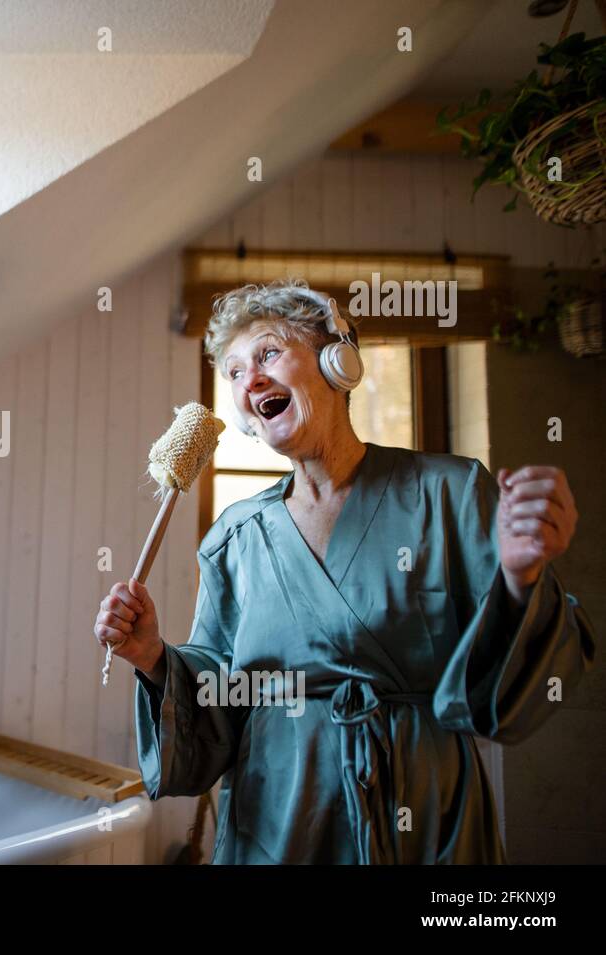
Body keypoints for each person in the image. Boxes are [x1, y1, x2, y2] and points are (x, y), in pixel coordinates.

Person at [93, 279, 596, 864]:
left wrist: (519, 578)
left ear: (338, 364)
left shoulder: (450, 493)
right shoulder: (235, 536)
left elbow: (515, 682)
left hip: (423, 807)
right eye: (232, 372)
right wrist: (154, 656)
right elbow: (217, 699)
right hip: (278, 810)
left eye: (268, 354)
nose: (248, 380)